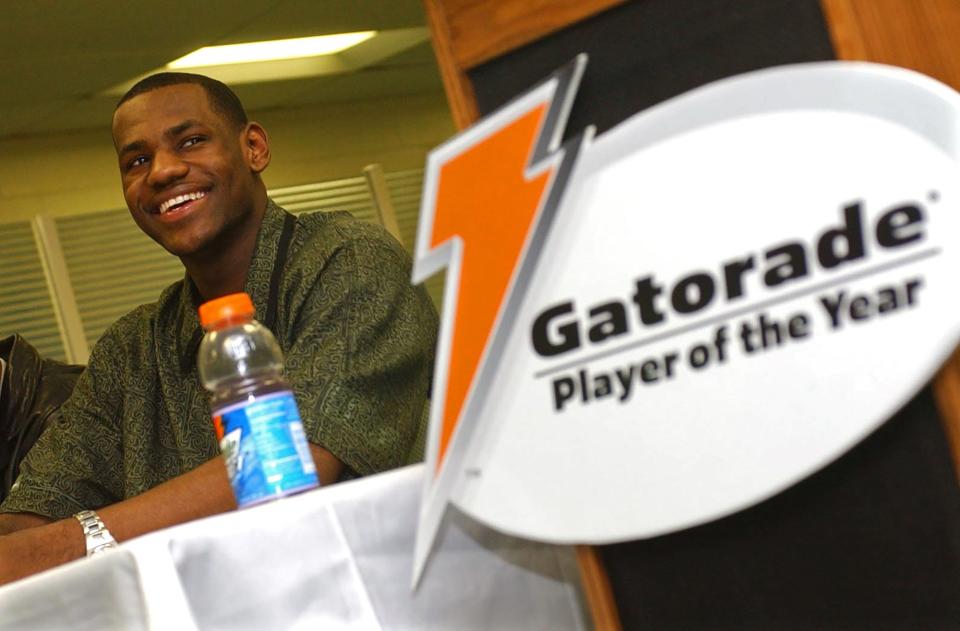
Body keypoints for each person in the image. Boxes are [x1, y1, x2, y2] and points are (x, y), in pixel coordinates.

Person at [0, 73, 438, 584]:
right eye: (136, 161)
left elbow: (292, 467)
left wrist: (74, 542)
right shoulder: (132, 350)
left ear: (253, 147)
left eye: (191, 141)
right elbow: (33, 514)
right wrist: (28, 546)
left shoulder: (350, 262)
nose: (162, 171)